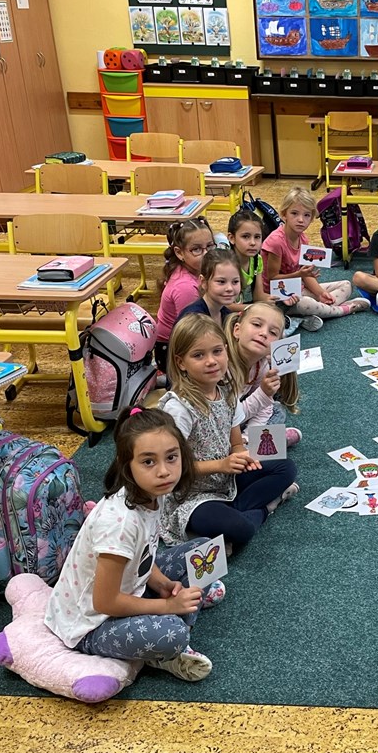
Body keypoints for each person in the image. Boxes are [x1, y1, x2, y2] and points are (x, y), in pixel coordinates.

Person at [44, 407, 223, 682]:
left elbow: (144, 555)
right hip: (90, 623)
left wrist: (163, 584)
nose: (164, 471)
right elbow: (105, 602)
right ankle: (172, 641)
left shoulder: (151, 492)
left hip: (129, 588)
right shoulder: (119, 523)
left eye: (171, 457)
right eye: (148, 461)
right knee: (173, 634)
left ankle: (180, 611)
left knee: (206, 551)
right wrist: (167, 606)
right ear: (127, 465)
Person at [158, 314, 298, 550]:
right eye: (198, 355)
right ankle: (265, 508)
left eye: (217, 351)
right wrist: (221, 465)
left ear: (226, 350)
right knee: (241, 529)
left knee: (287, 468)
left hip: (226, 479)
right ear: (181, 362)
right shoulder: (179, 408)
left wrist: (243, 455)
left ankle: (233, 514)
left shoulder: (227, 394)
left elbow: (236, 445)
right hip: (190, 495)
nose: (211, 361)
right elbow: (171, 467)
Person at [261, 186, 369, 319]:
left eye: (306, 215)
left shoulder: (303, 239)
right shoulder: (276, 242)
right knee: (306, 304)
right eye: (294, 213)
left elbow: (306, 275)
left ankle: (320, 310)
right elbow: (272, 278)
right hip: (278, 296)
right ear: (284, 214)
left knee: (346, 285)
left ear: (311, 218)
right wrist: (298, 275)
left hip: (298, 289)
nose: (301, 220)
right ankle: (343, 309)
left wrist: (320, 294)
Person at [225, 301, 302, 447]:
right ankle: (270, 443)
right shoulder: (223, 365)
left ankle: (257, 445)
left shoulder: (261, 365)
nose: (264, 333)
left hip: (237, 420)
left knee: (277, 410)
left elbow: (264, 409)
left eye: (273, 333)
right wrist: (263, 393)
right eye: (256, 324)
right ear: (237, 330)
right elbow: (227, 418)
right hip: (217, 426)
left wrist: (247, 437)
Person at [154, 218, 215, 372]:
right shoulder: (185, 288)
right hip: (171, 352)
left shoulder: (196, 269)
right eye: (196, 249)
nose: (206, 254)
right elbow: (194, 331)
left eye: (210, 246)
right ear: (179, 253)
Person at [175, 248, 241, 329]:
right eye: (221, 282)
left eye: (235, 282)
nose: (230, 288)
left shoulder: (228, 315)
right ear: (204, 282)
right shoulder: (192, 320)